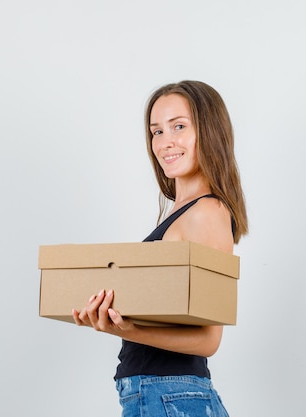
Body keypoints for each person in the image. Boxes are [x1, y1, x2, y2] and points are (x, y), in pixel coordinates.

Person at [72, 80, 248, 417]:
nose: (165, 143)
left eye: (178, 127)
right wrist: (111, 317)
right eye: (156, 132)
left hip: (170, 396)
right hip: (161, 396)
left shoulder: (207, 214)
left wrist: (130, 330)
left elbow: (209, 340)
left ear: (208, 132)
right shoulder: (184, 212)